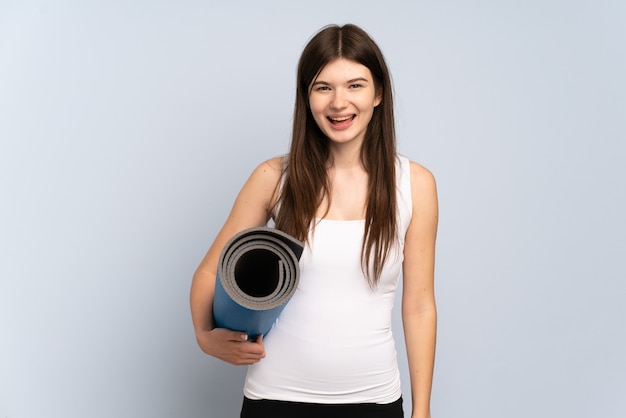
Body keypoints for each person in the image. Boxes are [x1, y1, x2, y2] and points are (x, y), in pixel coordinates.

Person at [190, 23, 438, 418]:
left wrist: (422, 410)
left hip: (374, 401)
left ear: (378, 95)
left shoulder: (415, 184)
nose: (339, 102)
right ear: (307, 98)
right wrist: (205, 337)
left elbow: (420, 304)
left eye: (355, 85)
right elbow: (209, 272)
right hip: (274, 400)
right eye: (323, 87)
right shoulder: (274, 178)